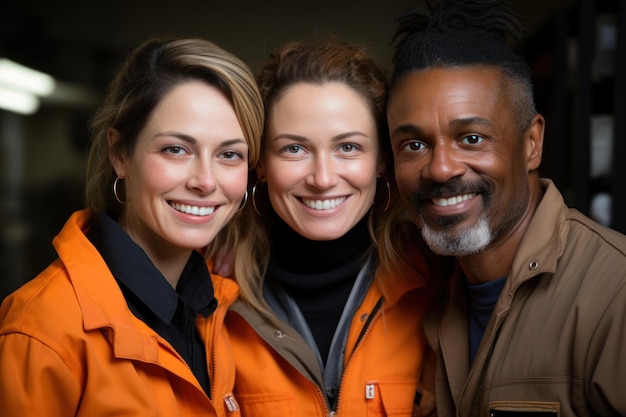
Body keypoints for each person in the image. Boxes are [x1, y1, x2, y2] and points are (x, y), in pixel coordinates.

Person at [0, 37, 263, 416]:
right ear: (120, 154)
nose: (206, 181)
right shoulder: (43, 331)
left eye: (229, 154)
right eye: (177, 149)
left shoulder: (223, 312)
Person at [386, 0, 626, 415]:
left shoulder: (615, 295)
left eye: (472, 138)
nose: (441, 169)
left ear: (532, 144)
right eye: (414, 145)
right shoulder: (421, 288)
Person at [206, 36, 442, 416]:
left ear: (382, 159)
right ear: (260, 164)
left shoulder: (440, 280)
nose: (322, 178)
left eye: (348, 147)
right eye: (293, 149)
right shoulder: (205, 294)